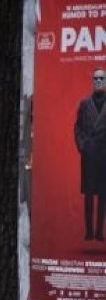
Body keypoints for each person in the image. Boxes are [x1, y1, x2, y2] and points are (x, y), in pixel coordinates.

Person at [74, 67, 106, 240]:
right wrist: (82, 145)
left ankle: (99, 232)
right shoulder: (84, 104)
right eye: (96, 78)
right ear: (92, 81)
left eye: (102, 78)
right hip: (89, 155)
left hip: (104, 156)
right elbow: (77, 127)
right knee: (88, 194)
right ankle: (88, 231)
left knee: (103, 194)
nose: (98, 81)